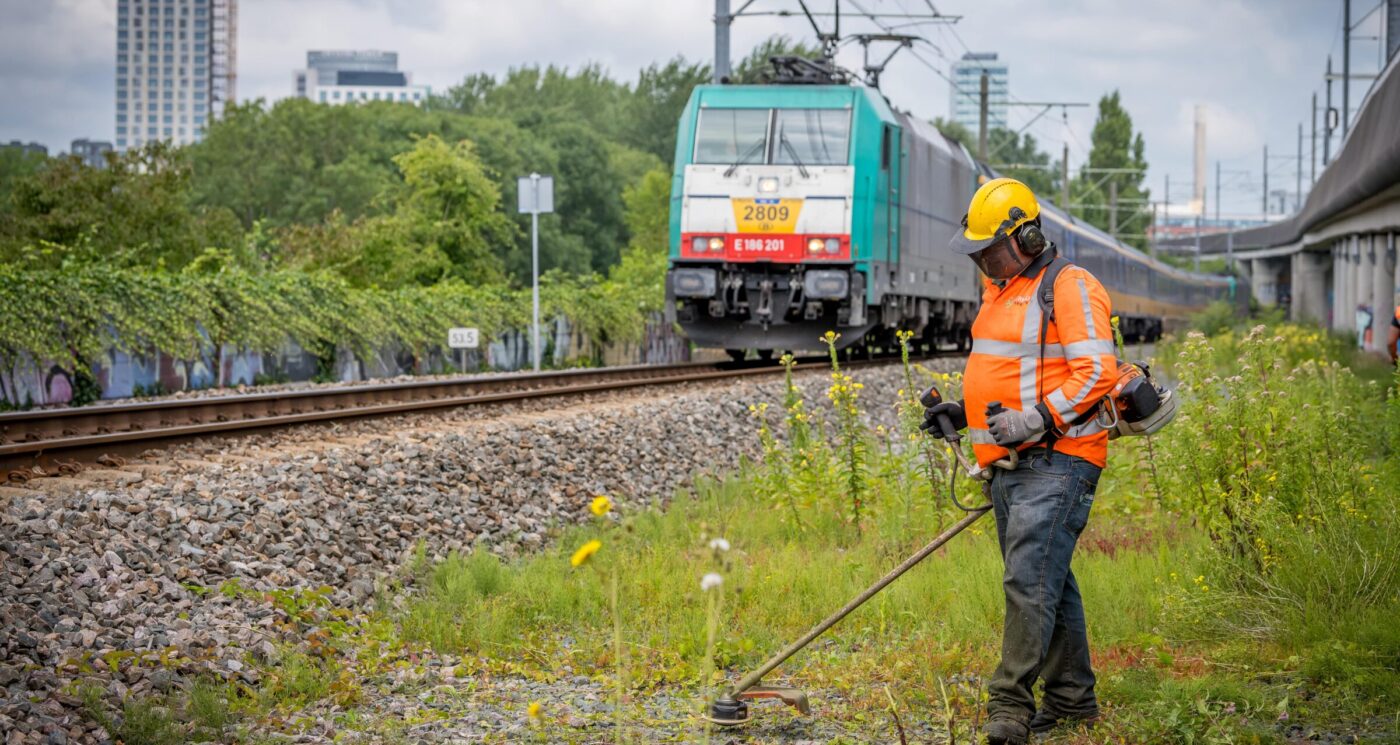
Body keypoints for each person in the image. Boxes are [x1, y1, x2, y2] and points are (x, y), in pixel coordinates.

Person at [940, 178, 1118, 745]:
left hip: (1059, 458)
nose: (983, 262)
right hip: (1011, 462)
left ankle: (1009, 708)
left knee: (1027, 582)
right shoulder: (1002, 290)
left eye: (990, 250)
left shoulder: (1070, 287)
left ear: (1029, 236)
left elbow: (1098, 373)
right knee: (1048, 579)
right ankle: (1071, 700)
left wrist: (1038, 418)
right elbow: (1007, 370)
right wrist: (959, 408)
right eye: (978, 253)